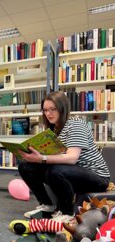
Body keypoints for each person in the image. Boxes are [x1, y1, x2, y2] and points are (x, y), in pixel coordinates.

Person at [18, 91, 110, 222]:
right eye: (45, 110)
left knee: (55, 170)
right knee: (25, 166)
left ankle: (67, 212)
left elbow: (72, 158)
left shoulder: (75, 124)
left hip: (97, 177)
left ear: (63, 108)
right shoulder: (56, 130)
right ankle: (47, 205)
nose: (48, 114)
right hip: (72, 174)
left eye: (53, 109)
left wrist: (42, 158)